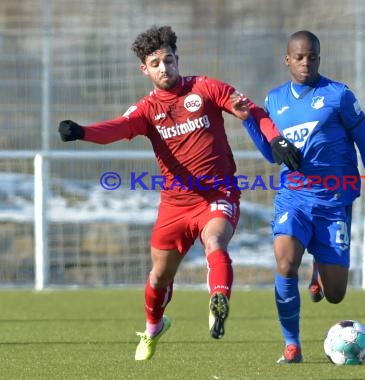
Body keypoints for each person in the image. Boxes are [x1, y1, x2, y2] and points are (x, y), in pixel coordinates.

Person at [57, 25, 300, 361]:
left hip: (218, 195)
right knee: (158, 277)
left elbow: (251, 110)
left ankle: (218, 301)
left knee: (215, 241)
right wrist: (82, 132)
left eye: (168, 60)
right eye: (155, 63)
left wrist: (275, 138)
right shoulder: (147, 110)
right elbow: (117, 128)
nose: (164, 68)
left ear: (177, 59)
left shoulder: (206, 88)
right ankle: (154, 327)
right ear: (145, 69)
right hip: (175, 205)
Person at [244, 30, 365, 363]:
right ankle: (292, 345)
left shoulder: (339, 96)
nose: (307, 62)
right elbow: (270, 153)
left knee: (336, 295)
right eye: (300, 57)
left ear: (319, 58)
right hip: (293, 198)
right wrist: (250, 121)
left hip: (333, 202)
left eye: (313, 57)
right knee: (285, 262)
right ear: (288, 60)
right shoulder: (274, 101)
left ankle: (320, 272)